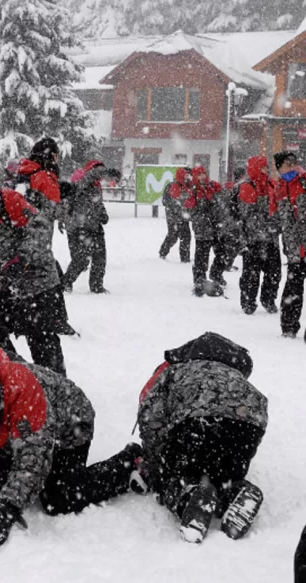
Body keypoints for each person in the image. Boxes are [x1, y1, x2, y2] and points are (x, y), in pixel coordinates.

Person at [0, 318, 142, 550]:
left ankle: (128, 464)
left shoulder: (19, 388)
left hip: (69, 427)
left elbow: (33, 461)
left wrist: (7, 509)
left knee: (58, 498)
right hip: (9, 432)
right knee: (0, 477)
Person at [136, 332, 268, 543]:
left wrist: (155, 462)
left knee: (171, 476)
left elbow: (151, 417)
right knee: (222, 472)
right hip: (248, 427)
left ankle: (187, 496)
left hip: (197, 423)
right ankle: (236, 490)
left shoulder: (176, 370)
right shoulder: (233, 373)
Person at [0, 149, 68, 374]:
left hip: (35, 285)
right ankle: (21, 381)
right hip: (3, 287)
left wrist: (24, 258)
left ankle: (57, 390)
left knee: (42, 343)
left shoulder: (6, 199)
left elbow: (39, 225)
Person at [16, 138, 77, 335]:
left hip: (23, 234)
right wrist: (66, 197)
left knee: (32, 275)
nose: (57, 160)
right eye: (56, 155)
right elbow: (55, 210)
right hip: (39, 236)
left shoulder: (25, 172)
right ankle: (56, 320)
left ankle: (34, 316)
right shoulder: (44, 176)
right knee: (50, 277)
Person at [61, 159, 119, 294]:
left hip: (95, 226)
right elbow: (92, 175)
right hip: (81, 226)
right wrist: (105, 171)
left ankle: (96, 285)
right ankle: (66, 282)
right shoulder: (81, 183)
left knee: (100, 257)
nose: (100, 174)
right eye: (98, 170)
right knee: (82, 259)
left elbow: (97, 204)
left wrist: (103, 214)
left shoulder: (96, 186)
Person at [237, 156, 281, 315]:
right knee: (251, 274)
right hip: (253, 239)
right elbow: (247, 214)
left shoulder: (271, 185)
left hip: (271, 238)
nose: (266, 170)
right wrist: (268, 221)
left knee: (274, 272)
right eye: (262, 167)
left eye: (266, 167)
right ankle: (248, 301)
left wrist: (275, 225)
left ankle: (268, 299)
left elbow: (277, 209)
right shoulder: (247, 187)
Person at [273, 151, 306, 340]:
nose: (291, 168)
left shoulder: (303, 183)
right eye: (286, 165)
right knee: (293, 288)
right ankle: (289, 326)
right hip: (293, 249)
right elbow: (278, 218)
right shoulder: (279, 188)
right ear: (279, 168)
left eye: (293, 164)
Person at [185, 165, 228, 296]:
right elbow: (190, 211)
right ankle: (199, 279)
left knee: (222, 252)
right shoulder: (193, 191)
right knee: (201, 256)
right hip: (202, 229)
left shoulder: (214, 187)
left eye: (204, 173)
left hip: (217, 227)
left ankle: (216, 274)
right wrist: (203, 214)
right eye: (199, 174)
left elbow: (223, 203)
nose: (202, 176)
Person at [158, 167, 193, 262]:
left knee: (186, 237)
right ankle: (163, 253)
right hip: (173, 216)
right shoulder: (171, 186)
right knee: (173, 236)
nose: (190, 177)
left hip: (184, 216)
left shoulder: (190, 187)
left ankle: (184, 258)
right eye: (188, 175)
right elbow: (165, 201)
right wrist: (177, 207)